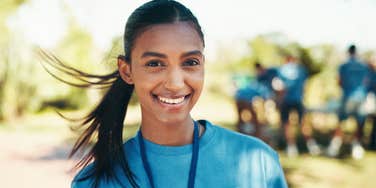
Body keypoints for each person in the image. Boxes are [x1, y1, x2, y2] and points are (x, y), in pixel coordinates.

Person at [41, 1, 287, 187]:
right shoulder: (94, 182)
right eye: (155, 64)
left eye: (190, 62)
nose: (175, 83)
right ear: (127, 71)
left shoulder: (259, 162)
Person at [327, 45, 369, 159]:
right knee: (359, 123)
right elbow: (366, 81)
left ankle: (334, 147)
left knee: (341, 121)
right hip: (361, 97)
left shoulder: (344, 65)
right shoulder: (363, 65)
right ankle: (356, 147)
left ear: (348, 52)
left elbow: (339, 81)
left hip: (347, 96)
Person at [276, 55, 320, 157]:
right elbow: (304, 86)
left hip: (286, 100)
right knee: (303, 123)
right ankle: (311, 146)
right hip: (298, 99)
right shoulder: (301, 70)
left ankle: (292, 148)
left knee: (287, 124)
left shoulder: (282, 70)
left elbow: (280, 87)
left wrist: (279, 100)